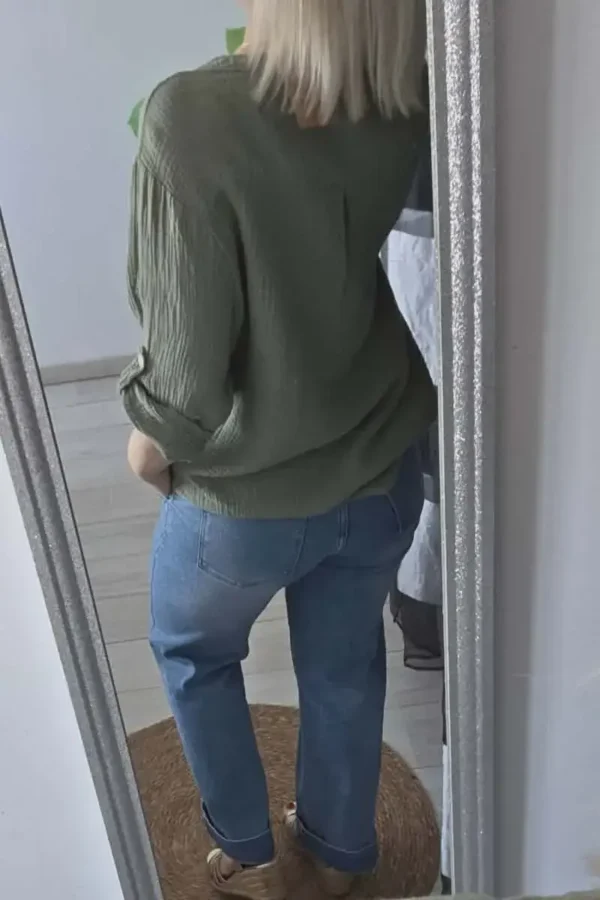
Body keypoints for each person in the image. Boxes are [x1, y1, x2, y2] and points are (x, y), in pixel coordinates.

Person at [122, 2, 434, 897]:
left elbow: (185, 384)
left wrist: (147, 454)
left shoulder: (190, 113)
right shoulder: (401, 96)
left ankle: (251, 855)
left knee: (194, 654)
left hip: (242, 499)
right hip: (380, 470)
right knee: (344, 668)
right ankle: (337, 855)